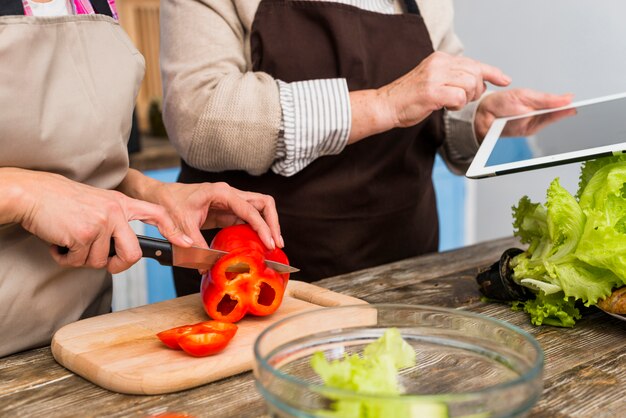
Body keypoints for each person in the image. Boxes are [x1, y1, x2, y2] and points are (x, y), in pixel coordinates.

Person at [160, 0, 572, 294]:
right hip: (259, 279)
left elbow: (435, 102)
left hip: (406, 269)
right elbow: (199, 118)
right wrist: (383, 104)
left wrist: (477, 120)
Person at [0, 0, 282, 357]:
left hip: (82, 340)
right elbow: (45, 185)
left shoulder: (97, 5)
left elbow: (77, 163)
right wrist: (26, 195)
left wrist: (152, 194)